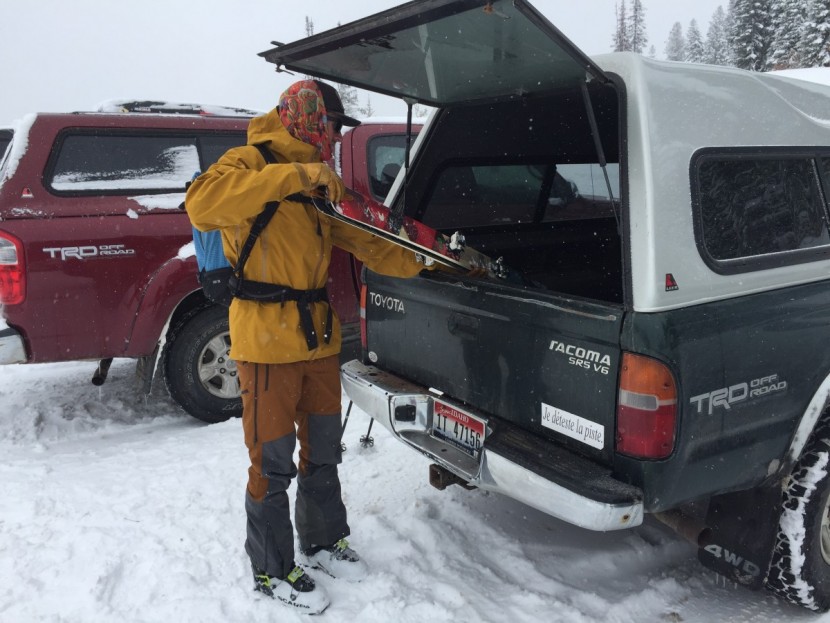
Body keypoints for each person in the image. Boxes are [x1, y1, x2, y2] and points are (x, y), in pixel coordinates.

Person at [185, 79, 433, 614]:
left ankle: (321, 539)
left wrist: (423, 261)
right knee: (271, 461)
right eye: (332, 128)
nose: (334, 139)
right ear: (310, 118)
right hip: (264, 338)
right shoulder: (249, 161)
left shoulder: (323, 180)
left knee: (323, 450)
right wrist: (296, 174)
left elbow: (363, 239)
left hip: (316, 339)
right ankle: (272, 568)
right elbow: (201, 204)